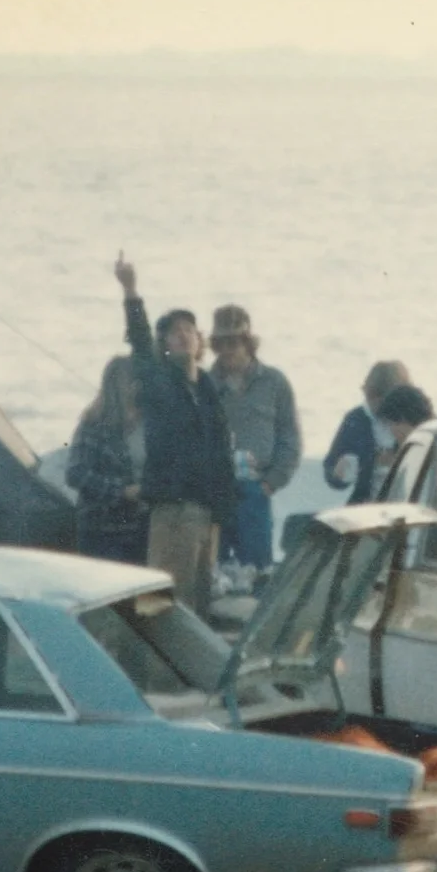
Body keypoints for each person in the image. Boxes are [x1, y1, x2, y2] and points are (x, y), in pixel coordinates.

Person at [114, 255, 236, 613]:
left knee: (198, 604)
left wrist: (222, 511)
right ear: (164, 344)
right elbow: (139, 341)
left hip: (205, 515)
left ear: (201, 341)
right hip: (173, 512)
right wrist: (131, 290)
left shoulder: (210, 390)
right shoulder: (159, 381)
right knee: (163, 606)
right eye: (174, 332)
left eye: (189, 330)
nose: (183, 336)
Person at [209, 304, 301, 577]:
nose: (227, 350)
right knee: (216, 572)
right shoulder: (204, 384)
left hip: (256, 491)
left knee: (258, 572)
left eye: (234, 342)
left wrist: (271, 483)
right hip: (216, 491)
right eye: (221, 343)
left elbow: (290, 438)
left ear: (248, 343)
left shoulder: (274, 382)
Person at [65, 356, 151, 565]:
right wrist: (122, 491)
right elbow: (76, 473)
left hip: (141, 528)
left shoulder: (149, 424)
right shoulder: (93, 424)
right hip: (102, 532)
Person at [324, 360, 410, 506]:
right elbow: (331, 468)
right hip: (364, 506)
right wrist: (338, 475)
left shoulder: (413, 420)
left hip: (406, 507)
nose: (372, 405)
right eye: (369, 398)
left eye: (378, 400)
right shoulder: (356, 419)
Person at [362, 385, 437, 502]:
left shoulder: (430, 452)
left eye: (391, 424)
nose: (391, 431)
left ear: (402, 419)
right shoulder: (416, 449)